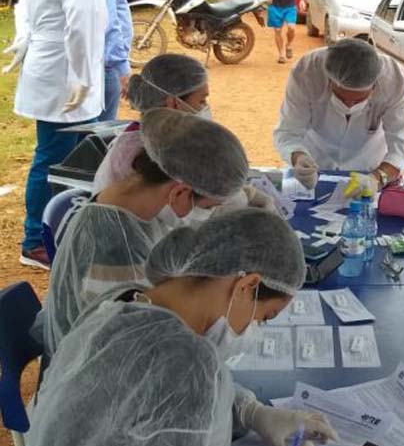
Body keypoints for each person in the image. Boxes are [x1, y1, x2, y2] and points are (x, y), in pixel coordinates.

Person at [28, 209, 334, 446]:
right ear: (246, 286)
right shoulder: (189, 362)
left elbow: (153, 394)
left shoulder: (125, 301)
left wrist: (250, 412)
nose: (253, 329)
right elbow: (181, 383)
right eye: (263, 317)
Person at [44, 107, 250, 356]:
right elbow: (131, 351)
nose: (206, 215)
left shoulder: (129, 198)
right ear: (180, 192)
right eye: (208, 208)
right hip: (98, 372)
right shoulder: (113, 248)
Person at [13, 0, 109, 268]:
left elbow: (26, 6)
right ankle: (36, 240)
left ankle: (48, 232)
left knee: (54, 154)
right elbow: (81, 27)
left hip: (50, 65)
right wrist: (84, 78)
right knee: (56, 158)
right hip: (66, 73)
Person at [274, 39, 404, 192]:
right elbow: (288, 131)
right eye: (342, 98)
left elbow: (402, 143)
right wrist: (299, 158)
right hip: (314, 167)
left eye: (359, 100)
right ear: (329, 82)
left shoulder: (395, 80)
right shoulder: (306, 72)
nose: (349, 105)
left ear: (375, 85)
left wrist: (378, 178)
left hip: (371, 167)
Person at [92, 53, 209, 195]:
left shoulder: (163, 141)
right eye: (202, 101)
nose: (206, 108)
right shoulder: (145, 155)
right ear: (173, 103)